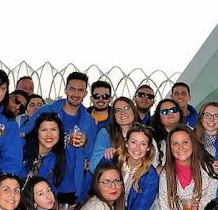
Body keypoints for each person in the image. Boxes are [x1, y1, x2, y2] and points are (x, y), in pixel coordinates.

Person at [157, 125, 218, 210]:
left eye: (185, 142)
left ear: (192, 143)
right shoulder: (166, 175)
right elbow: (165, 207)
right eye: (175, 143)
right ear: (170, 148)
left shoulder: (207, 167)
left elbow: (212, 196)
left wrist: (200, 206)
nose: (180, 147)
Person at [36, 72, 97, 203]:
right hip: (45, 180)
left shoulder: (89, 121)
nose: (76, 94)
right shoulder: (47, 111)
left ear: (85, 93)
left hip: (73, 185)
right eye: (72, 89)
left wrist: (85, 143)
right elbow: (27, 135)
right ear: (65, 90)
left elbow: (93, 153)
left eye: (80, 90)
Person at [115, 124, 159, 210]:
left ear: (148, 149)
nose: (137, 148)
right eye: (133, 142)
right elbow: (95, 189)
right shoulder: (113, 161)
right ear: (127, 143)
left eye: (143, 144)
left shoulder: (150, 176)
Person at [22, 113, 84, 200]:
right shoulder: (22, 150)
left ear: (60, 133)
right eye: (44, 130)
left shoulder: (57, 158)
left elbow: (57, 188)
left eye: (53, 129)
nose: (49, 134)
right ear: (37, 132)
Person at [90, 97, 140, 169]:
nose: (123, 113)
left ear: (134, 111)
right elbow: (93, 167)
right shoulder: (106, 132)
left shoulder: (143, 132)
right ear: (114, 115)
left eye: (127, 108)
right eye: (118, 110)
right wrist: (107, 156)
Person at [194, 101, 218, 174]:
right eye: (207, 115)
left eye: (216, 116)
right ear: (201, 117)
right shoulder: (191, 140)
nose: (211, 119)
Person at [151, 98, 183, 167]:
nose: (170, 113)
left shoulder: (191, 133)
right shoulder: (152, 139)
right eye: (164, 112)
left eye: (174, 110)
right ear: (158, 117)